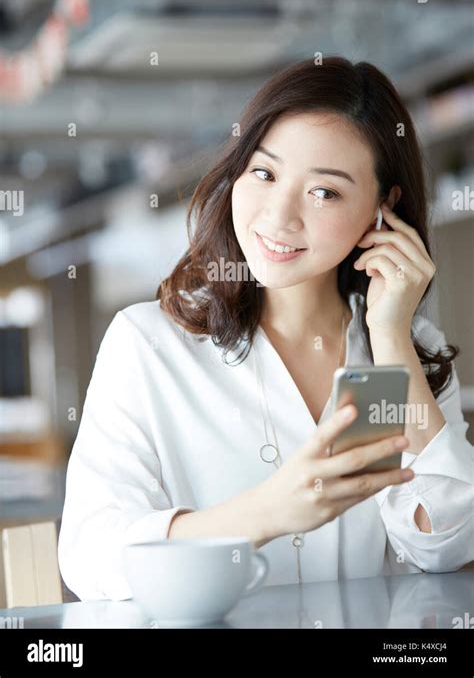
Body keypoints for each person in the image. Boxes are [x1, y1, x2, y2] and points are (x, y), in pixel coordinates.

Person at [58, 57, 473, 601]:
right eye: (264, 173)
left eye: (324, 192)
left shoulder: (402, 355)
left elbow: (446, 547)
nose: (279, 217)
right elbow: (90, 558)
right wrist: (265, 512)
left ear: (382, 209)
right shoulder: (148, 345)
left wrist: (391, 338)